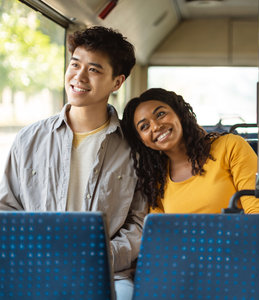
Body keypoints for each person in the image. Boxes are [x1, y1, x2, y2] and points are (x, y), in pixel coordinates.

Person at [0, 26, 148, 300]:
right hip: (37, 267)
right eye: (75, 64)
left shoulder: (135, 146)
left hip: (110, 273)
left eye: (94, 69)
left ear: (117, 82)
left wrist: (97, 257)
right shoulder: (28, 139)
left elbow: (139, 222)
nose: (79, 76)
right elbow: (7, 210)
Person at [120, 88, 259, 214]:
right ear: (142, 140)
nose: (155, 126)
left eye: (161, 114)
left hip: (238, 249)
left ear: (179, 114)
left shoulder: (230, 147)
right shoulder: (155, 181)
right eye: (144, 126)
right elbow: (164, 235)